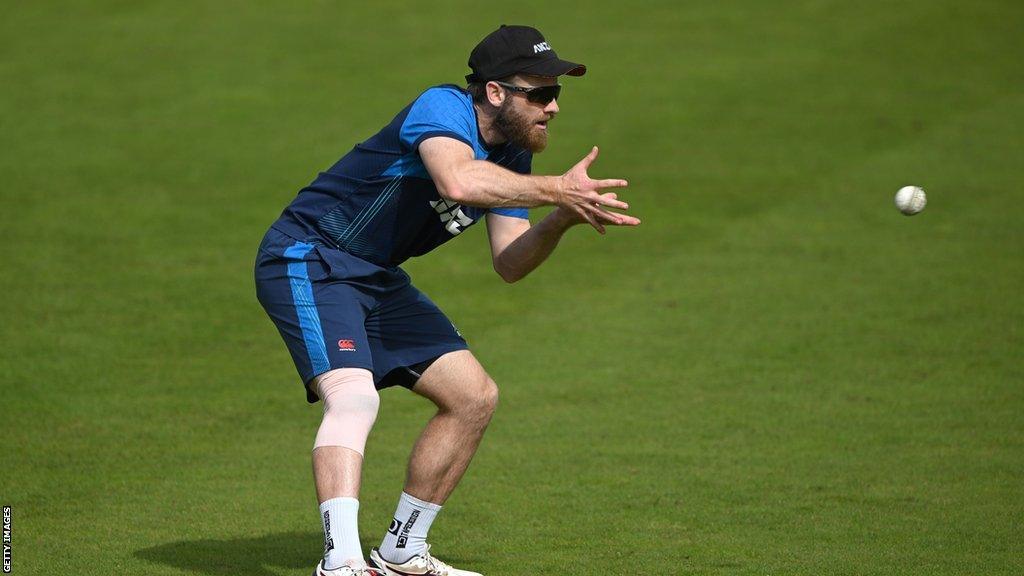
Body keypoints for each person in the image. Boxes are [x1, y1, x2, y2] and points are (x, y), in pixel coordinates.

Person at [254, 24, 640, 576]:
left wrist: (559, 219)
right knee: (355, 397)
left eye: (557, 94)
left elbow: (510, 262)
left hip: (374, 275)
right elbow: (456, 181)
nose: (553, 107)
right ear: (496, 92)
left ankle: (402, 550)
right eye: (541, 93)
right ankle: (339, 563)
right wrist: (558, 187)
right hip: (311, 257)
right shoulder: (442, 107)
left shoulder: (513, 158)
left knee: (473, 397)